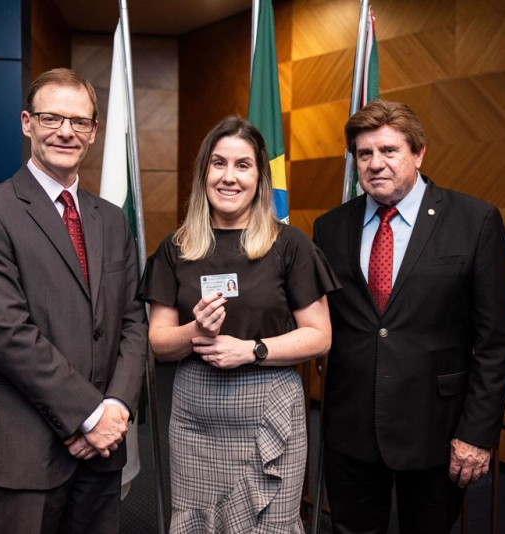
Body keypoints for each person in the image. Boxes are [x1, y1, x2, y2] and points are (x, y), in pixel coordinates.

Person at [0, 68, 148, 534]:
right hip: (24, 451)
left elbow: (133, 322)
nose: (66, 131)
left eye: (79, 121)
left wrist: (115, 408)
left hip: (102, 452)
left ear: (93, 132)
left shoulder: (111, 220)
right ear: (27, 123)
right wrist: (88, 416)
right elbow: (7, 332)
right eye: (51, 118)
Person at [313, 100, 505, 534]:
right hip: (351, 430)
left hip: (436, 432)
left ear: (419, 153)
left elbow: (495, 342)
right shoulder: (330, 228)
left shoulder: (475, 221)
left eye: (389, 150)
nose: (375, 163)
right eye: (364, 154)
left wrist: (477, 434)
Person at [141, 116, 339, 533]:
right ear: (204, 173)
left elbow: (320, 336)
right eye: (219, 163)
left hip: (271, 409)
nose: (229, 177)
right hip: (196, 417)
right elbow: (158, 342)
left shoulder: (290, 245)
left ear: (260, 177)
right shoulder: (176, 248)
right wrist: (195, 332)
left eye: (242, 165)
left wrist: (251, 350)